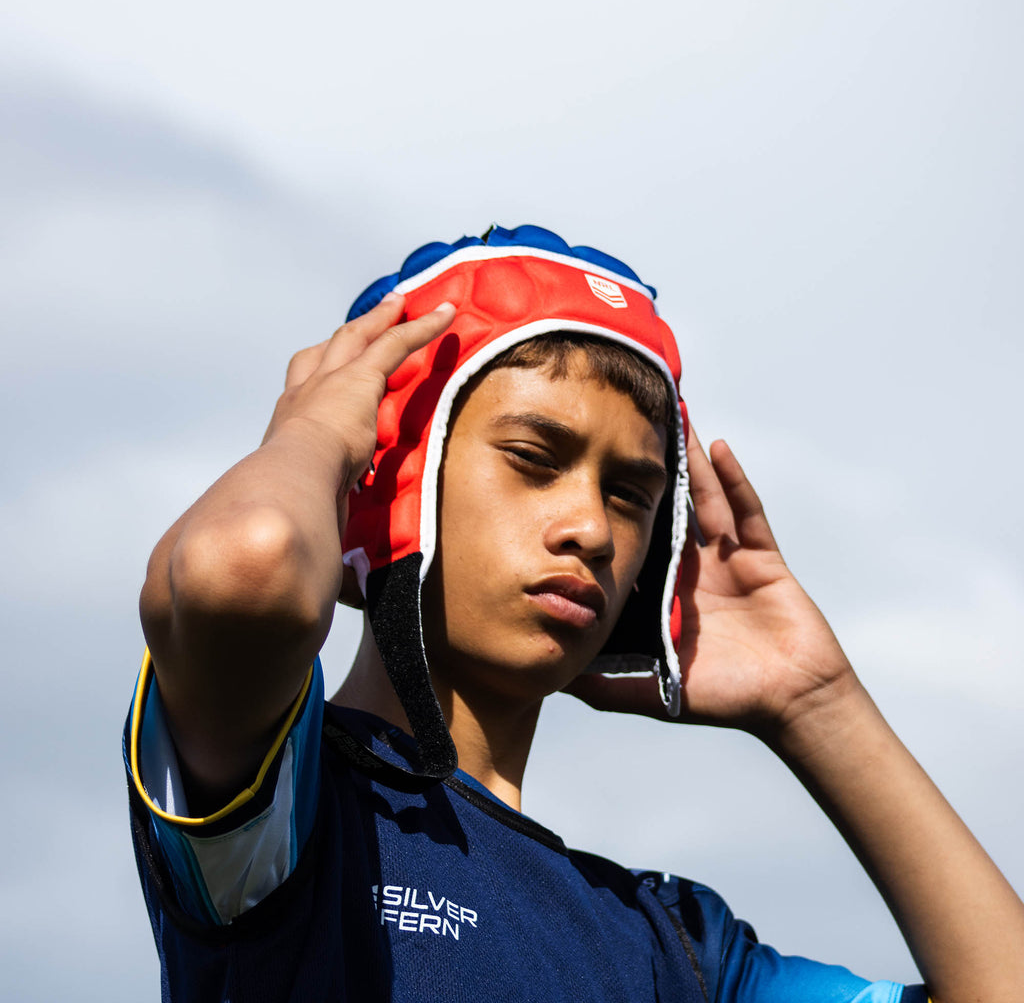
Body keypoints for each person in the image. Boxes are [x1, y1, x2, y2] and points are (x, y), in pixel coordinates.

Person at [125, 225, 1024, 1002]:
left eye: (632, 494)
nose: (593, 528)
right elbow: (242, 566)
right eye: (532, 456)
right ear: (394, 483)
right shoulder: (282, 808)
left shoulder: (674, 947)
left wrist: (815, 701)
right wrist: (313, 438)